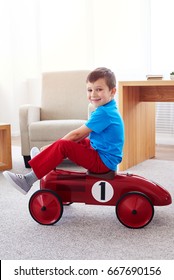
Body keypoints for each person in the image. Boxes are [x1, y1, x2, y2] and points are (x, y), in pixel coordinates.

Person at [3, 67, 124, 195]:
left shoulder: (104, 112)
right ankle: (45, 158)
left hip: (103, 162)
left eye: (99, 90)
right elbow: (79, 138)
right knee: (78, 142)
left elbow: (77, 134)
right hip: (102, 154)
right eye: (89, 90)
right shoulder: (109, 108)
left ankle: (28, 180)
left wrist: (53, 145)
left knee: (64, 145)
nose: (93, 94)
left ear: (112, 91)